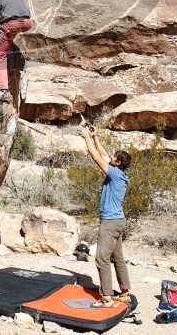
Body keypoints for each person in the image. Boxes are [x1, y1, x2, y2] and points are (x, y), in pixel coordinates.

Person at [77, 124, 132, 308]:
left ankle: (107, 297)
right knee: (118, 259)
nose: (111, 157)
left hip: (109, 223)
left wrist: (86, 137)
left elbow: (97, 157)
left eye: (114, 157)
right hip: (119, 221)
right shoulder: (121, 174)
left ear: (117, 163)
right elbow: (106, 155)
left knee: (101, 259)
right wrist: (95, 137)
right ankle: (125, 293)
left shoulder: (114, 174)